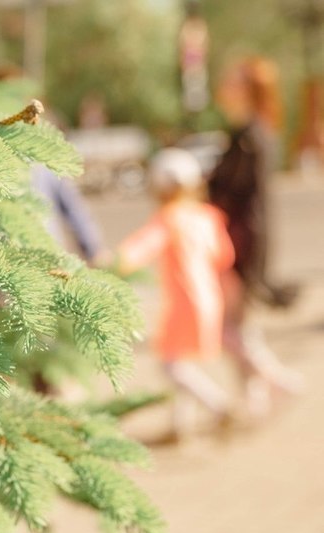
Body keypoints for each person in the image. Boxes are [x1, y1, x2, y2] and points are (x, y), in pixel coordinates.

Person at [117, 148, 234, 439]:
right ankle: (181, 425)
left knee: (172, 365)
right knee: (183, 360)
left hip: (184, 301)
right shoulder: (207, 216)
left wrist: (115, 262)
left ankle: (218, 403)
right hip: (209, 297)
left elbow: (142, 248)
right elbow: (224, 255)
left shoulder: (169, 218)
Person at [210, 56, 304, 416]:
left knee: (226, 329)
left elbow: (246, 202)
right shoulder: (250, 132)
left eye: (232, 80)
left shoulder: (252, 136)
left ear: (247, 89)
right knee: (238, 326)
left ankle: (278, 379)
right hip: (239, 241)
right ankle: (256, 397)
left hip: (238, 244)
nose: (224, 85)